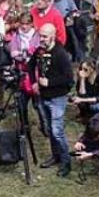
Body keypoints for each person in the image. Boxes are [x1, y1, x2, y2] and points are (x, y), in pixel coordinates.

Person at [35, 23, 74, 177]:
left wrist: (50, 82)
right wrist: (33, 81)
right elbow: (31, 65)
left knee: (57, 131)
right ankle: (55, 156)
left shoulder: (61, 54)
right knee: (50, 130)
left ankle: (66, 162)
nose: (41, 39)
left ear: (52, 36)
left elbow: (69, 79)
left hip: (57, 97)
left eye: (44, 36)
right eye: (40, 36)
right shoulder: (40, 51)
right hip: (44, 96)